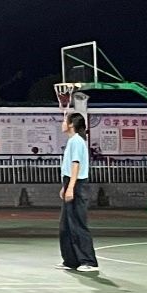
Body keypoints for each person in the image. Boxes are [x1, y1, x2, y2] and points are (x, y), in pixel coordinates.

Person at [58, 112, 99, 272]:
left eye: (64, 121)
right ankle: (71, 260)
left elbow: (76, 164)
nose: (62, 123)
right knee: (66, 226)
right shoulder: (72, 140)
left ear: (71, 124)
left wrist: (71, 187)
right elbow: (69, 167)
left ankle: (88, 261)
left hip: (77, 184)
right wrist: (65, 185)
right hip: (70, 181)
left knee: (77, 224)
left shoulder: (77, 141)